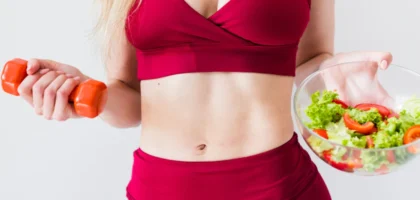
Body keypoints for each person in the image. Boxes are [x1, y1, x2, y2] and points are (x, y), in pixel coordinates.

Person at [15, 0, 393, 199]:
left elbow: (311, 61)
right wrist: (85, 93)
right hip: (163, 190)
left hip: (278, 186)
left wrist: (335, 72)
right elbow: (128, 98)